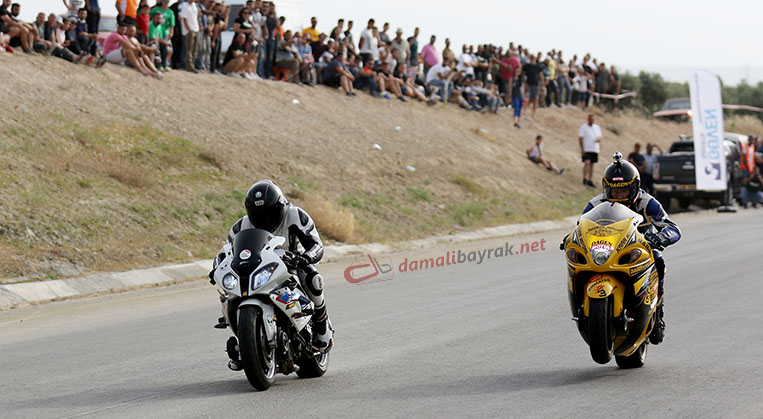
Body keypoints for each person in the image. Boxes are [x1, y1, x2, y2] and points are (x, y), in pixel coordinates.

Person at [218, 180, 334, 360]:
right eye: (258, 215)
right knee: (227, 293)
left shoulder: (295, 215)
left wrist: (305, 258)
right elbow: (226, 252)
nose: (264, 219)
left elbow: (316, 245)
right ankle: (245, 340)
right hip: (258, 269)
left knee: (314, 279)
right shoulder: (241, 225)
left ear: (280, 206)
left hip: (293, 264)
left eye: (269, 213)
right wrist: (216, 267)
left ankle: (321, 326)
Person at [582, 152, 681, 344]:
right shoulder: (596, 203)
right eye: (614, 191)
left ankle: (657, 313)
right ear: (606, 189)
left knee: (659, 261)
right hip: (607, 250)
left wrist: (660, 236)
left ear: (635, 188)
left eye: (624, 191)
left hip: (639, 250)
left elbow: (672, 227)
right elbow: (581, 225)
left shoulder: (648, 202)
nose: (618, 196)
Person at [578, 113, 602, 187]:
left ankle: (590, 179)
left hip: (594, 149)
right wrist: (582, 149)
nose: (591, 120)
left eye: (592, 119)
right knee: (587, 162)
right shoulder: (583, 127)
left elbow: (600, 137)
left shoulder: (597, 127)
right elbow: (580, 138)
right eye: (590, 119)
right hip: (587, 148)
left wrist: (598, 140)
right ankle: (584, 178)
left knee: (592, 164)